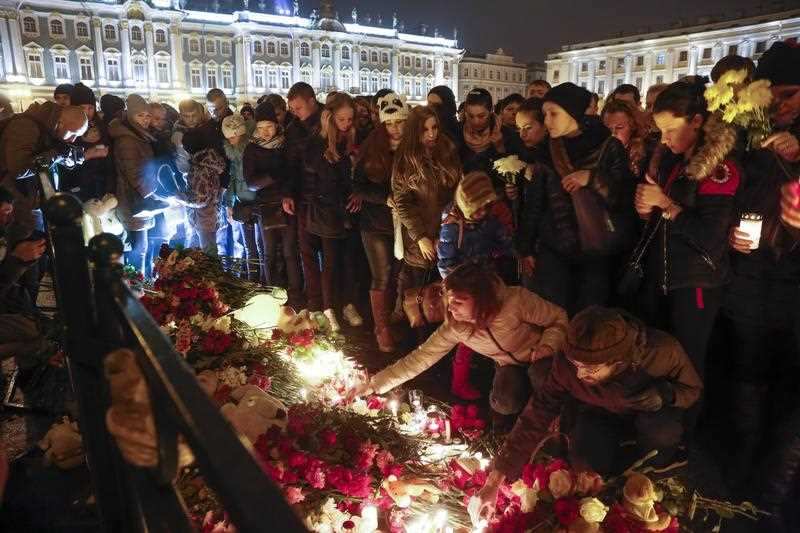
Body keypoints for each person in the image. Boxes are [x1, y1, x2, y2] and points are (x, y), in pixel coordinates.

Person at [475, 306, 702, 520]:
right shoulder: (567, 363)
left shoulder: (660, 353)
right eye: (576, 365)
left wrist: (667, 393)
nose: (580, 375)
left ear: (618, 361)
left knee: (662, 432)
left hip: (647, 416)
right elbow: (539, 410)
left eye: (591, 369)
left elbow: (692, 389)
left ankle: (655, 469)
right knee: (585, 469)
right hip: (598, 414)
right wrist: (494, 481)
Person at [721, 40, 800, 488]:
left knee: (790, 383)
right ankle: (743, 468)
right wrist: (730, 232)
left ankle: (776, 481)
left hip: (794, 280)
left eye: (790, 94)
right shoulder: (748, 134)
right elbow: (732, 194)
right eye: (773, 95)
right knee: (747, 372)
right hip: (752, 275)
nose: (780, 105)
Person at [355, 262, 567, 419]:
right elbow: (421, 357)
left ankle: (558, 419)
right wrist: (375, 384)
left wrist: (548, 346)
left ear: (481, 298)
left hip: (541, 356)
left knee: (542, 376)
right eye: (450, 300)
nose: (451, 307)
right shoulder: (456, 326)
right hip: (509, 364)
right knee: (504, 402)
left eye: (459, 301)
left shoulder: (515, 301)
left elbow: (558, 319)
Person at [634, 79, 741, 380]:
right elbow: (662, 221)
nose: (664, 139)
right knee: (661, 362)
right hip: (664, 277)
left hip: (696, 283)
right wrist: (646, 209)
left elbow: (710, 238)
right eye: (660, 131)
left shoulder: (719, 168)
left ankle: (690, 411)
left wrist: (666, 204)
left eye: (670, 129)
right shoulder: (672, 161)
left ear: (696, 121)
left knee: (687, 367)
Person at [531, 82, 635, 315]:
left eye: (553, 114)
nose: (547, 121)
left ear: (573, 112)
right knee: (554, 316)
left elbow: (623, 196)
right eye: (545, 114)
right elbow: (536, 200)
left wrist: (592, 178)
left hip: (595, 248)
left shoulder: (608, 145)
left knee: (589, 317)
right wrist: (526, 246)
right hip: (555, 246)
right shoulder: (546, 149)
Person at [438, 171, 515, 400]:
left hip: (488, 280)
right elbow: (445, 263)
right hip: (466, 288)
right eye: (477, 209)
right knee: (468, 334)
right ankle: (459, 382)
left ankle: (498, 377)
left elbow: (502, 240)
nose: (482, 213)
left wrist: (510, 248)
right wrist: (458, 290)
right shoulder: (452, 227)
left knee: (493, 325)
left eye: (485, 207)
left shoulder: (489, 219)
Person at [295, 93, 361, 331]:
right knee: (330, 261)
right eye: (342, 119)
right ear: (329, 118)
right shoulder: (318, 144)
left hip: (344, 209)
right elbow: (323, 180)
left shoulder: (349, 139)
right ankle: (328, 308)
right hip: (325, 209)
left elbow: (350, 177)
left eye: (350, 119)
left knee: (347, 260)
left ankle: (345, 303)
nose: (347, 124)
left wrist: (356, 191)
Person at [0, 101, 107, 240]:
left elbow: (54, 155)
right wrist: (57, 154)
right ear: (60, 123)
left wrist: (76, 155)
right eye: (73, 134)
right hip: (14, 203)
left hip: (31, 201)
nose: (73, 140)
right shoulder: (25, 126)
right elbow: (19, 168)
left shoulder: (50, 129)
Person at [391, 105, 460, 319]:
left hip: (446, 232)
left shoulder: (447, 151)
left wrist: (445, 233)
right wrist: (421, 237)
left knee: (444, 299)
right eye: (425, 129)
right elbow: (403, 203)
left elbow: (457, 192)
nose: (432, 134)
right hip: (419, 238)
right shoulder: (406, 159)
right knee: (418, 301)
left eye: (434, 127)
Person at [352, 92, 408, 352]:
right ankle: (381, 328)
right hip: (375, 222)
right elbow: (358, 186)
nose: (394, 128)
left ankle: (392, 320)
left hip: (403, 222)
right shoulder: (372, 148)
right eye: (389, 123)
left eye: (399, 122)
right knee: (381, 275)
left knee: (397, 274)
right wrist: (384, 197)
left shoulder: (413, 148)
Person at [244, 101, 303, 305]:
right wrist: (274, 175)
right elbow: (251, 182)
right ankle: (272, 293)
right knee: (268, 252)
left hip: (287, 202)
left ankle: (295, 293)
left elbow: (294, 173)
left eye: (269, 126)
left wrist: (286, 188)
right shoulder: (252, 149)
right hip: (266, 205)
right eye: (260, 127)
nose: (265, 132)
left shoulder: (286, 145)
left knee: (290, 251)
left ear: (276, 125)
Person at [108, 94, 158, 273]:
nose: (145, 119)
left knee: (141, 249)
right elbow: (135, 176)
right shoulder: (128, 140)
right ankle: (136, 288)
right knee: (138, 251)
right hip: (133, 202)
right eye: (140, 115)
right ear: (130, 116)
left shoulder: (139, 135)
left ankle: (139, 285)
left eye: (147, 115)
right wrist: (156, 192)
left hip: (138, 202)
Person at [176, 113, 227, 255]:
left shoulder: (200, 168)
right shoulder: (209, 162)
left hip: (204, 218)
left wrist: (179, 197)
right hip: (210, 215)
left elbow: (200, 199)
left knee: (208, 256)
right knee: (209, 252)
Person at [58, 83, 115, 202]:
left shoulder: (103, 128)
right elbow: (62, 165)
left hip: (101, 188)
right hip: (77, 190)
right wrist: (86, 155)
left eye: (90, 108)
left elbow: (111, 163)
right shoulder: (68, 130)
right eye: (82, 108)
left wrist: (110, 188)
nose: (87, 112)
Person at [221, 114, 260, 281]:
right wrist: (229, 203)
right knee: (249, 246)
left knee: (259, 246)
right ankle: (252, 280)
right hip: (242, 204)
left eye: (233, 136)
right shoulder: (234, 154)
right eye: (228, 137)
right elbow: (233, 179)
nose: (230, 140)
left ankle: (259, 281)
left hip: (256, 203)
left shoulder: (251, 151)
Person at [457, 89, 507, 180]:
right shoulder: (457, 132)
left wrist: (500, 148)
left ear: (491, 110)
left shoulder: (506, 134)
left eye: (481, 116)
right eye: (471, 116)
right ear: (465, 112)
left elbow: (511, 176)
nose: (476, 121)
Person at [602, 98, 650, 177]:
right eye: (608, 128)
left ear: (633, 126)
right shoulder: (598, 149)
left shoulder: (647, 152)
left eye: (619, 127)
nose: (613, 133)